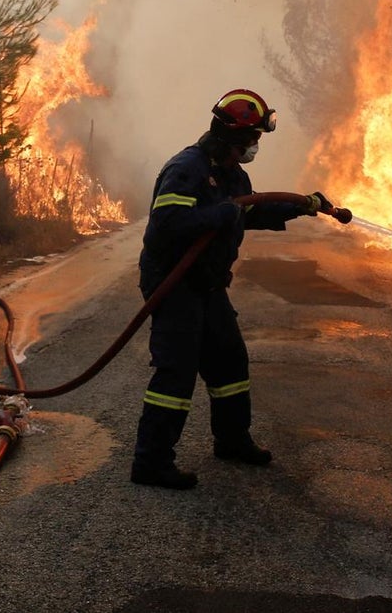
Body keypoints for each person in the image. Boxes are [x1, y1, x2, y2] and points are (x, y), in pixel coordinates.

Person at [130, 88, 331, 490]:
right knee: (177, 372)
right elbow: (165, 226)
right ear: (232, 137)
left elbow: (252, 210)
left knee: (229, 362)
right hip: (175, 284)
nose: (256, 145)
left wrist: (303, 205)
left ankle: (232, 440)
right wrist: (216, 214)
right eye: (253, 138)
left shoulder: (233, 173)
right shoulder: (186, 169)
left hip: (208, 285)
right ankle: (151, 463)